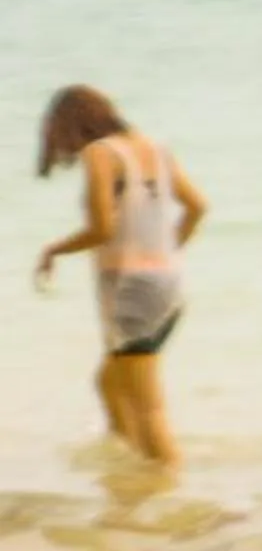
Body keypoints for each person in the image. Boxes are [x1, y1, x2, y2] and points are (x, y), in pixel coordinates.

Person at [32, 87, 206, 467]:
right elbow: (197, 207)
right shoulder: (155, 148)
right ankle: (127, 473)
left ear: (72, 124)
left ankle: (166, 486)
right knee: (110, 384)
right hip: (168, 285)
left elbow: (101, 229)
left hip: (132, 291)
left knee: (148, 408)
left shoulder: (101, 153)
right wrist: (167, 252)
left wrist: (54, 251)